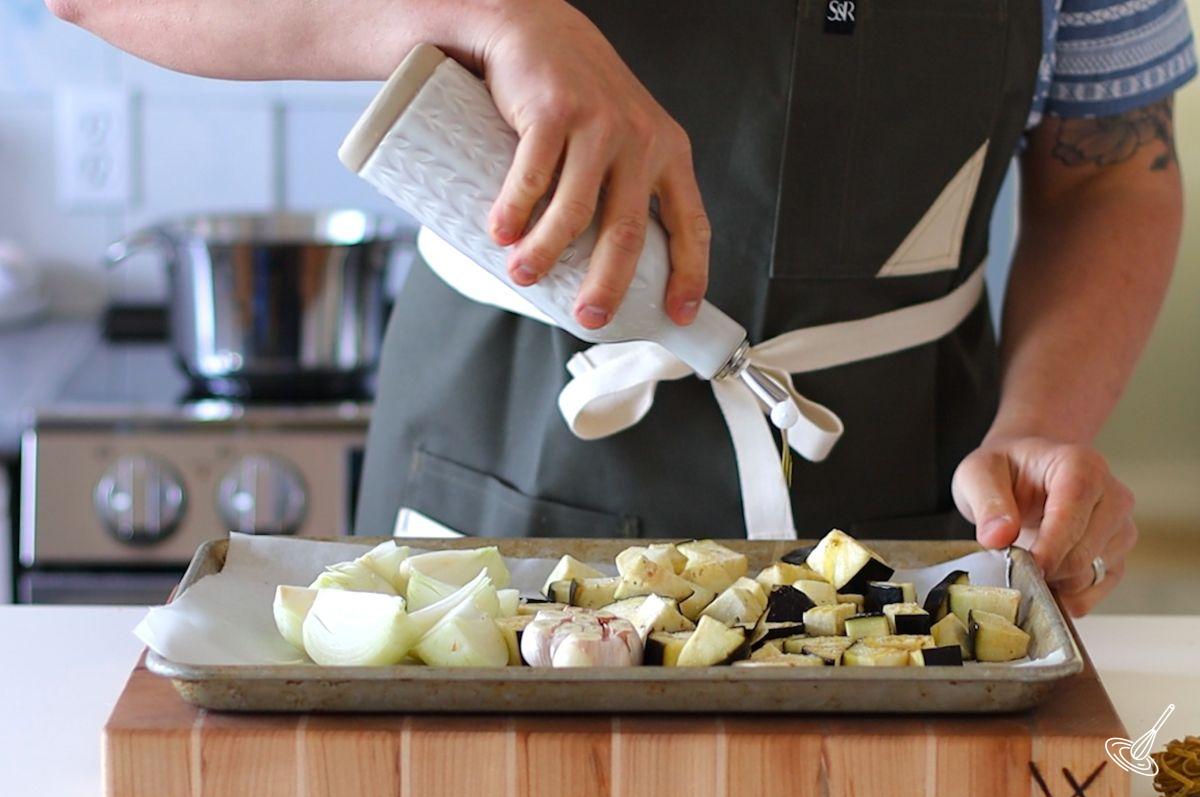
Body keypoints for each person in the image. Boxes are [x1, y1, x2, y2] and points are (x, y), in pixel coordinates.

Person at [51, 0, 1195, 615]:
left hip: (908, 502)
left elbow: (1107, 170)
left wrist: (1040, 425)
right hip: (494, 474)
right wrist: (490, 14)